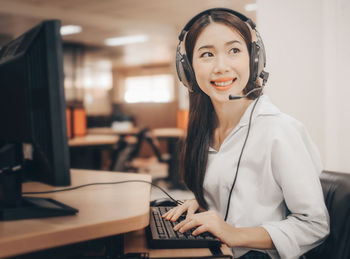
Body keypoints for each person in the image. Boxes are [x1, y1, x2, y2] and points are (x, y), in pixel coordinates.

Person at [162, 8, 329, 259]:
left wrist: (233, 233)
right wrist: (206, 204)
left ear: (254, 59)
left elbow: (315, 226)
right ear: (188, 70)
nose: (221, 66)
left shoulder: (279, 131)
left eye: (234, 50)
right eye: (207, 54)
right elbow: (241, 198)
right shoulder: (206, 130)